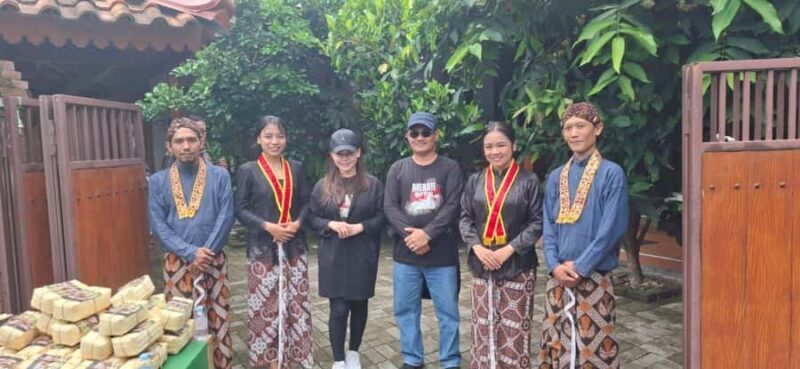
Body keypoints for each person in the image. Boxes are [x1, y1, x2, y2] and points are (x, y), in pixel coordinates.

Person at [537, 102, 629, 369]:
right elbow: (549, 226)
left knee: (595, 349)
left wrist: (580, 266)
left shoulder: (611, 173)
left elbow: (611, 229)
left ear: (597, 129)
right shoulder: (555, 177)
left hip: (594, 276)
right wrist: (553, 265)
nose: (574, 133)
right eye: (568, 128)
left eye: (581, 126)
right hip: (558, 278)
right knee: (556, 341)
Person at [148, 117, 235, 369]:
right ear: (169, 147)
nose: (186, 146)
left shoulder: (220, 176)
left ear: (201, 143)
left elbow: (226, 216)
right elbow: (159, 225)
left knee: (218, 320)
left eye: (191, 140)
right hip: (177, 263)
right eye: (179, 141)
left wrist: (204, 255)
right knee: (179, 325)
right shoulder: (158, 181)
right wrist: (189, 252)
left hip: (213, 261)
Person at [459, 122, 543, 369]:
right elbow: (464, 218)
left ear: (514, 146)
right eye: (489, 146)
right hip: (481, 264)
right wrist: (478, 248)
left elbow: (537, 223)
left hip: (518, 264)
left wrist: (508, 249)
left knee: (514, 331)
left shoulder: (529, 180)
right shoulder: (475, 180)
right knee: (482, 329)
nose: (494, 151)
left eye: (501, 145)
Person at [384, 112, 463, 369]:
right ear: (407, 136)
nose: (420, 137)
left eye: (425, 132)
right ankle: (412, 359)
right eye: (414, 133)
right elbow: (390, 207)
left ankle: (450, 361)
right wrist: (413, 237)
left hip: (441, 255)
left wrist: (427, 234)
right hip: (406, 256)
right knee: (405, 311)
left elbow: (452, 206)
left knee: (448, 314)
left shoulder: (450, 167)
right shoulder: (398, 168)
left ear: (436, 135)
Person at [234, 116, 313, 369]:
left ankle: (294, 357)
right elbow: (240, 209)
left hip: (293, 247)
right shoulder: (248, 170)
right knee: (265, 308)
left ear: (286, 139)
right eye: (268, 136)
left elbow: (307, 203)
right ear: (258, 139)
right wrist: (268, 227)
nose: (274, 141)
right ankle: (269, 362)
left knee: (295, 305)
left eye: (279, 136)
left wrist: (298, 224)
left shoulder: (296, 168)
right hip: (263, 251)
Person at [306, 129, 386, 369]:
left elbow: (383, 217)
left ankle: (354, 352)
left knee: (360, 305)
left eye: (349, 153)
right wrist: (330, 224)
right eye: (339, 154)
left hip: (362, 255)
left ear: (358, 153)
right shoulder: (322, 186)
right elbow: (311, 217)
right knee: (338, 309)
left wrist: (360, 227)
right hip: (333, 256)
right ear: (332, 155)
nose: (344, 158)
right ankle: (339, 359)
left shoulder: (372, 185)